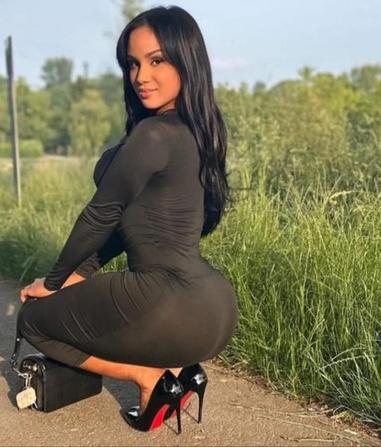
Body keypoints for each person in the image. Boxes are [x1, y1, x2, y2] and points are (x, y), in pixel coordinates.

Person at [17, 5, 238, 434]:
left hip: (165, 302)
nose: (141, 76)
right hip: (215, 309)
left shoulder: (153, 134)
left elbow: (100, 215)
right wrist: (79, 275)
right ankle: (182, 369)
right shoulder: (199, 132)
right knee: (79, 305)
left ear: (186, 61)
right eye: (133, 64)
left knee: (32, 321)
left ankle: (150, 377)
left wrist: (54, 281)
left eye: (157, 61)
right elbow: (128, 228)